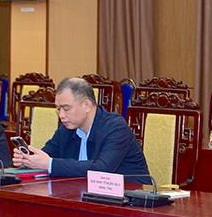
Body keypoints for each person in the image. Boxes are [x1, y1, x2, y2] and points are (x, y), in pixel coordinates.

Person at [14, 77, 151, 183]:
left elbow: (101, 169)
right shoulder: (67, 128)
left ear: (87, 105)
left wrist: (50, 164)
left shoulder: (116, 127)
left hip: (131, 200)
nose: (61, 115)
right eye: (58, 109)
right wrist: (29, 160)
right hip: (83, 196)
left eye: (66, 108)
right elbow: (46, 155)